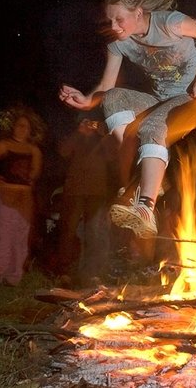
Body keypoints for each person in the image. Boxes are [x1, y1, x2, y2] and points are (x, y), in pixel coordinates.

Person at [59, 0, 196, 239]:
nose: (114, 27)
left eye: (119, 19)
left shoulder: (169, 22)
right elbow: (106, 87)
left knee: (150, 126)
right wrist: (86, 101)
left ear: (138, 13)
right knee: (113, 99)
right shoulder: (118, 43)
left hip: (192, 99)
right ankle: (141, 177)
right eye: (109, 21)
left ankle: (145, 206)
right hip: (160, 100)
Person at [0, 105, 45, 289]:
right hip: (5, 198)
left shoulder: (34, 150)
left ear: (31, 130)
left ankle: (12, 281)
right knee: (2, 241)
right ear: (13, 127)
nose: (22, 129)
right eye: (19, 125)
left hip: (24, 201)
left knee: (20, 243)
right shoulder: (4, 145)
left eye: (26, 126)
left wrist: (30, 182)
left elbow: (34, 174)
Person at [54, 112, 120, 286]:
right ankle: (64, 272)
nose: (90, 124)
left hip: (97, 192)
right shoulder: (76, 136)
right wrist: (79, 132)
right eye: (86, 121)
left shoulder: (103, 139)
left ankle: (90, 273)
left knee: (94, 233)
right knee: (68, 231)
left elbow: (113, 156)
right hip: (75, 191)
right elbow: (63, 151)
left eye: (93, 122)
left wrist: (103, 134)